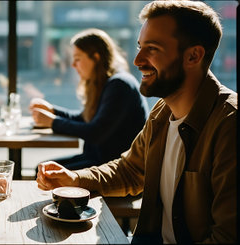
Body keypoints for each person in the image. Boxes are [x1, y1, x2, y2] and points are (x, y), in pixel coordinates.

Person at [36, 1, 236, 244]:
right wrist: (75, 179)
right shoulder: (162, 111)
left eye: (152, 49)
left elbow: (226, 237)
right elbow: (130, 171)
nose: (137, 60)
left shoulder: (229, 125)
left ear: (193, 56)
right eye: (140, 47)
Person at [30, 28, 149, 170]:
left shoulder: (119, 85)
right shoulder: (107, 83)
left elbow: (95, 133)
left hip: (114, 167)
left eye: (77, 59)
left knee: (42, 171)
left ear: (96, 57)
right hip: (99, 159)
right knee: (42, 169)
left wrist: (52, 121)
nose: (73, 65)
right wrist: (52, 110)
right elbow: (85, 119)